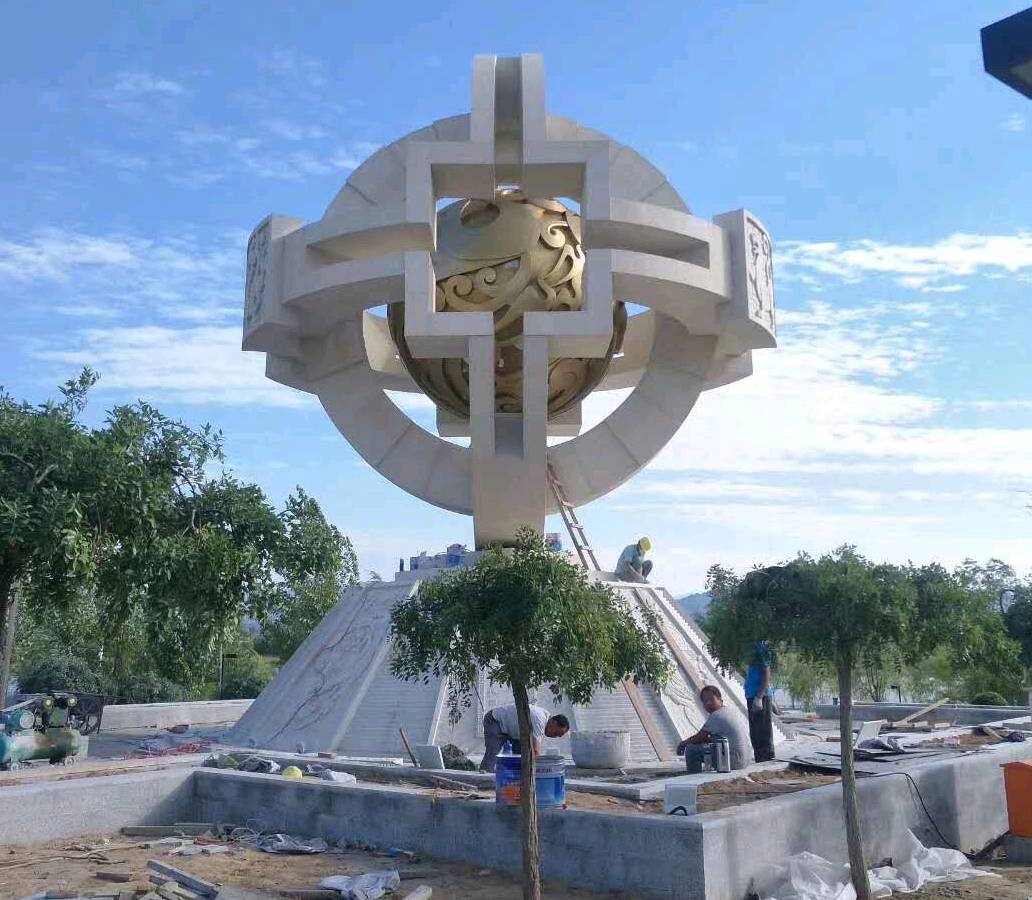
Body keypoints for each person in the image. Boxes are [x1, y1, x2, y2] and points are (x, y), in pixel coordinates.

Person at [677, 685, 753, 772]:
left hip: (734, 761)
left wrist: (683, 744)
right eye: (705, 701)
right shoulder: (729, 711)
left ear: (720, 699)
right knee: (707, 745)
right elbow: (708, 738)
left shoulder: (717, 715)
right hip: (745, 761)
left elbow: (699, 737)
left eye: (711, 700)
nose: (708, 703)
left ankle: (693, 776)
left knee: (692, 749)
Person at [480, 703, 570, 772]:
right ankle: (484, 780)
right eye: (556, 733)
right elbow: (536, 751)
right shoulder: (540, 720)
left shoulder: (545, 719)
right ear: (553, 722)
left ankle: (515, 779)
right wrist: (541, 771)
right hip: (495, 720)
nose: (554, 736)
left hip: (512, 731)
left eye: (557, 736)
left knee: (521, 756)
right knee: (492, 754)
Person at [744, 639, 776, 762]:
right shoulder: (751, 646)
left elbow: (766, 671)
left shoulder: (761, 648)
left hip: (759, 694)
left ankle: (766, 756)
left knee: (762, 729)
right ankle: (759, 756)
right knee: (755, 729)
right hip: (752, 694)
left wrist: (759, 696)